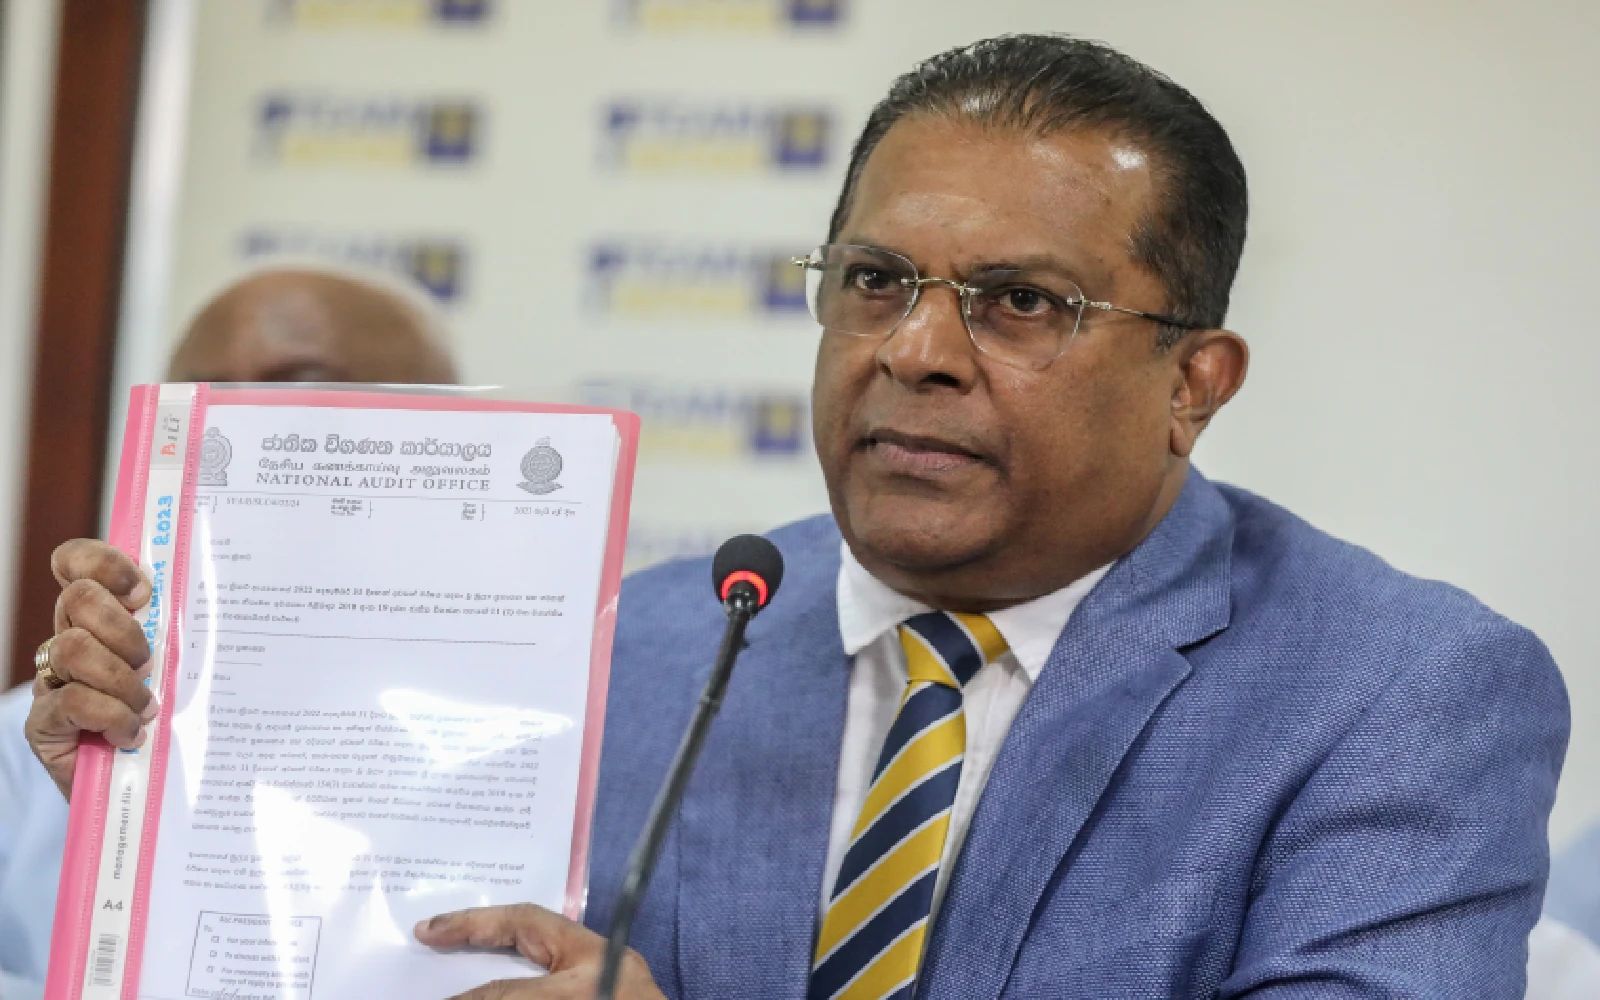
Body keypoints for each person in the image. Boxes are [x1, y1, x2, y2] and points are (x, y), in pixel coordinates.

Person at [23, 35, 1569, 999]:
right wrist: (177, 751)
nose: (914, 349)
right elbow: (358, 933)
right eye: (876, 283)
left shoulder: (1397, 694)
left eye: (1020, 302)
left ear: (1196, 381)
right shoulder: (656, 636)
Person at [0, 264, 457, 1000]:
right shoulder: (34, 742)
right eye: (201, 400)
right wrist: (120, 815)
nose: (239, 431)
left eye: (304, 388)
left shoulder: (525, 748)